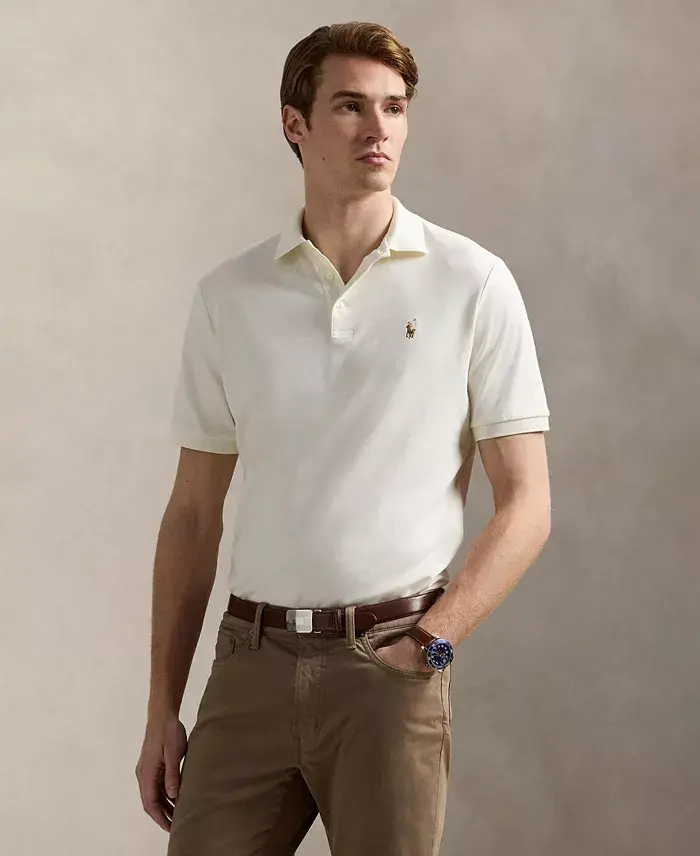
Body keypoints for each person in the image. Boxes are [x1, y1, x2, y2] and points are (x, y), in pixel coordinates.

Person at [135, 20, 552, 856]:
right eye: (351, 105)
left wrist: (431, 645)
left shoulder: (472, 282)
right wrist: (161, 709)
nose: (379, 129)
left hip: (389, 668)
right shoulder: (230, 297)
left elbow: (528, 504)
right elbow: (192, 515)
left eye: (395, 107)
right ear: (296, 123)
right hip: (249, 664)